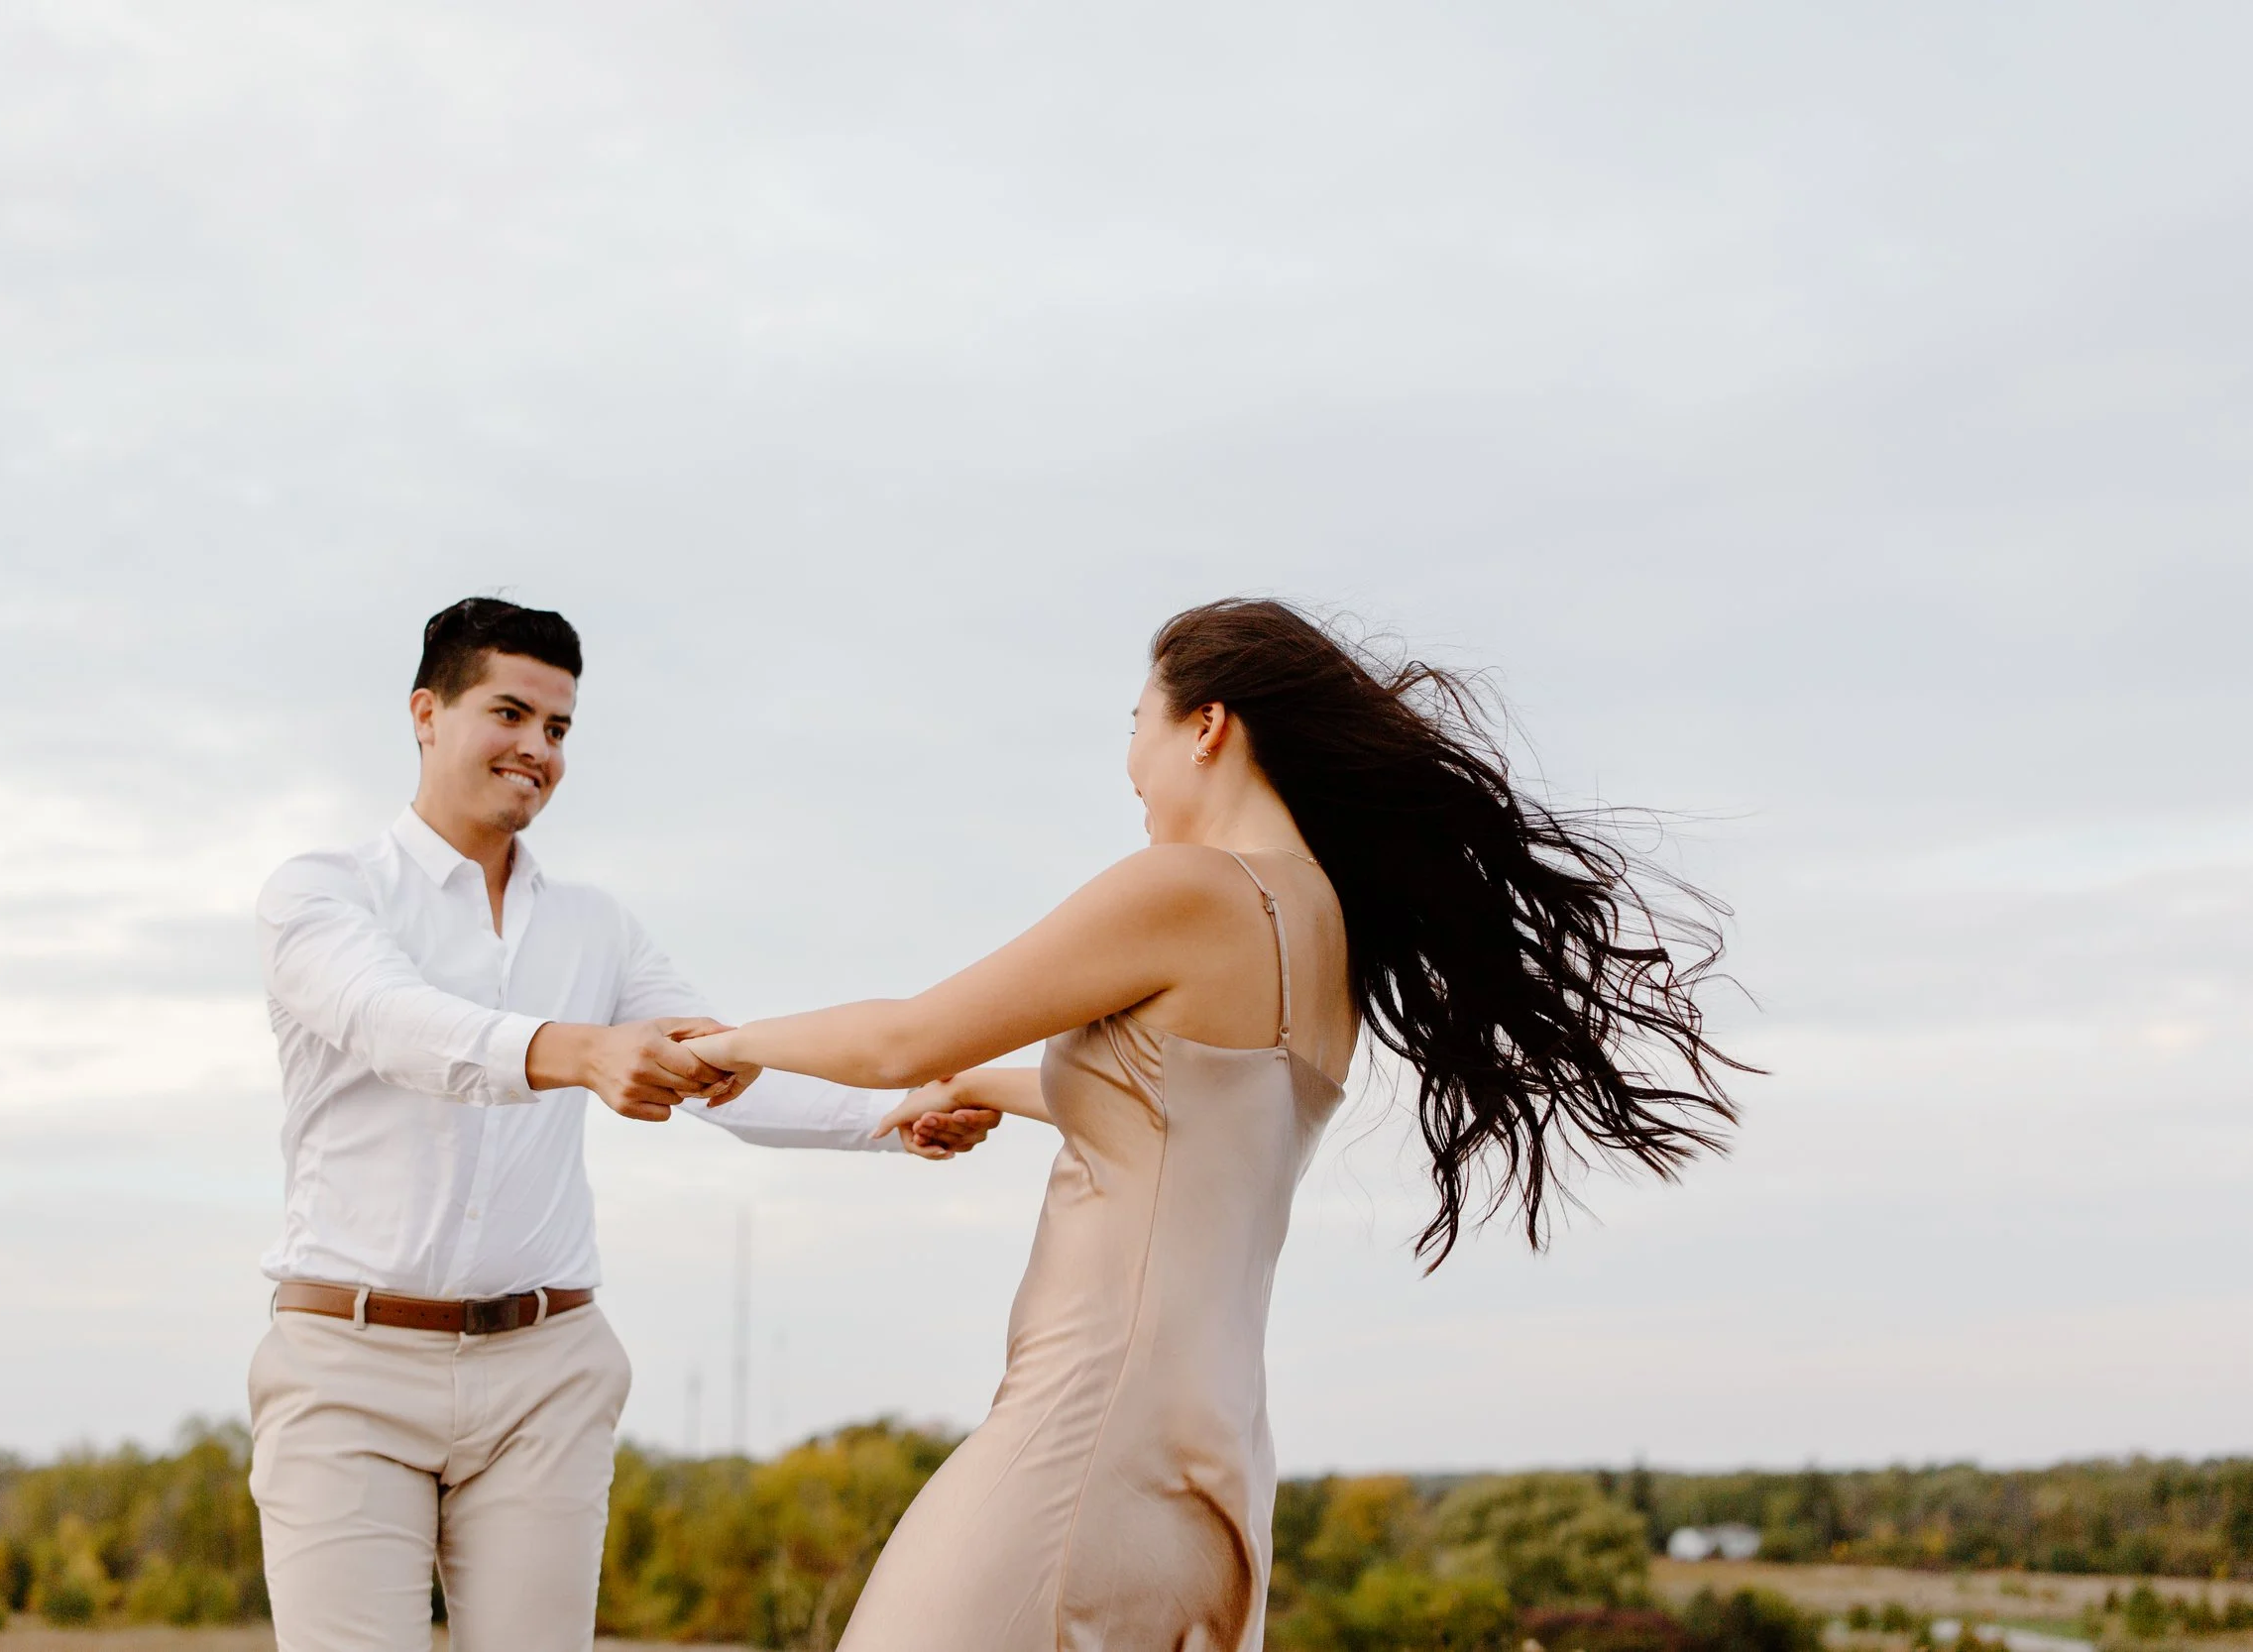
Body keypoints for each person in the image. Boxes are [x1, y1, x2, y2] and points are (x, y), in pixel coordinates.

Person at [682, 597, 1749, 1652]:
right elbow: (1185, 1114)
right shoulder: (1326, 930)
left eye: (1135, 725)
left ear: (1208, 724)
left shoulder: (1187, 888)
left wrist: (723, 1045)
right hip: (1209, 1464)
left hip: (1079, 1439)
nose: (1130, 765)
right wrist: (983, 1086)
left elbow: (897, 1038)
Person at [245, 597, 1000, 1652]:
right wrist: (580, 1049)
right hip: (349, 1367)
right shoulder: (323, 894)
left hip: (546, 1374)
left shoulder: (595, 925)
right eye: (510, 713)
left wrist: (888, 1110)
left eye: (558, 729)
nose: (536, 749)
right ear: (426, 711)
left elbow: (719, 1063)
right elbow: (396, 1023)